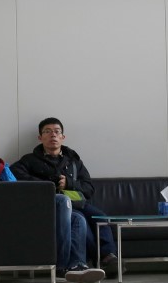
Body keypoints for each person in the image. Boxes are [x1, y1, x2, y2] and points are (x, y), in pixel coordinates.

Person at [11, 118, 117, 279]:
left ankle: (108, 257)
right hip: (51, 205)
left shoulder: (74, 161)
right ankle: (89, 262)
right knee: (80, 220)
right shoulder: (29, 160)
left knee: (100, 216)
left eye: (57, 131)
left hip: (77, 202)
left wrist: (70, 183)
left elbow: (89, 188)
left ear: (63, 137)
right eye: (47, 131)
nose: (52, 135)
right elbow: (14, 175)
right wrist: (49, 184)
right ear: (40, 138)